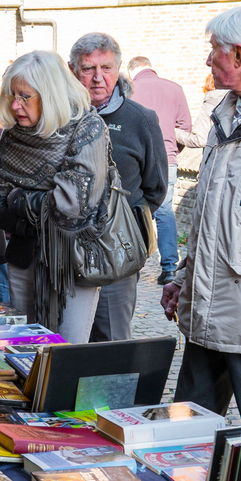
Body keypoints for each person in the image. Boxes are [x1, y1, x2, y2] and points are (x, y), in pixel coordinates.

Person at [161, 5, 241, 425]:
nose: (207, 59)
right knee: (184, 430)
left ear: (238, 54)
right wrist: (183, 277)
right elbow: (209, 216)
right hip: (206, 309)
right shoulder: (222, 117)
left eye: (214, 49)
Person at [0, 50, 109, 343]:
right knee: (23, 350)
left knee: (66, 353)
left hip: (73, 264)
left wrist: (20, 200)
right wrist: (35, 216)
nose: (15, 105)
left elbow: (74, 206)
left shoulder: (87, 129)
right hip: (23, 259)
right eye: (13, 95)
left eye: (25, 96)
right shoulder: (13, 136)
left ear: (51, 94)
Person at [68, 33, 167, 343]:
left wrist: (122, 223)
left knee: (111, 340)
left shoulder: (141, 119)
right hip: (64, 251)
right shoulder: (60, 117)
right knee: (63, 341)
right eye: (88, 69)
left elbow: (156, 187)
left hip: (117, 254)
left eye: (106, 68)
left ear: (118, 69)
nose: (98, 78)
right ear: (73, 71)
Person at [129, 55, 191, 285]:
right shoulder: (174, 88)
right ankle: (169, 268)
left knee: (132, 209)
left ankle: (130, 266)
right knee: (164, 211)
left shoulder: (129, 89)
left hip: (137, 160)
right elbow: (185, 127)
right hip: (166, 159)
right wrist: (171, 151)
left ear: (132, 71)